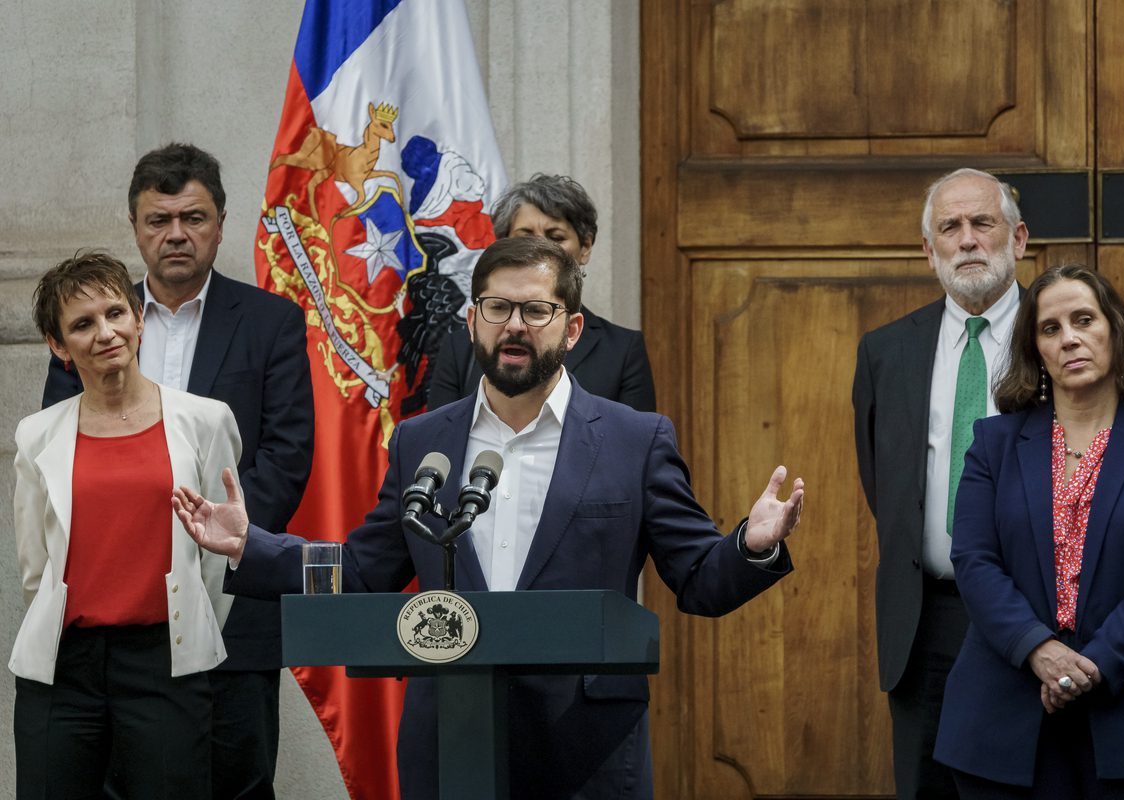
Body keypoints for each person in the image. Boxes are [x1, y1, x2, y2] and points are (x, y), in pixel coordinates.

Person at [174, 236, 804, 799]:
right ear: (472, 320)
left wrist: (751, 544)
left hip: (585, 747)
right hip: (452, 733)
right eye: (498, 308)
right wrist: (251, 547)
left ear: (573, 328)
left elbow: (697, 577)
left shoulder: (633, 439)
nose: (515, 327)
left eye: (537, 311)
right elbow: (365, 570)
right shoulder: (423, 442)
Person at [41, 143, 315, 800]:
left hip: (232, 608)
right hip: (114, 608)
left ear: (220, 222)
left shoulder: (271, 322)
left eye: (192, 218)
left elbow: (286, 453)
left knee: (238, 784)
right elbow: (62, 446)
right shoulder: (92, 324)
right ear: (135, 229)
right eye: (158, 220)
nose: (176, 235)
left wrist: (217, 541)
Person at [934, 264, 1124, 797]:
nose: (1069, 338)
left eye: (1084, 319)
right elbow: (975, 560)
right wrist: (1040, 651)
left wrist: (1095, 664)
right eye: (1050, 328)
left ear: (1114, 331)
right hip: (1005, 717)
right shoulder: (993, 443)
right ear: (1035, 350)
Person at [11, 252, 239, 799]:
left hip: (165, 660)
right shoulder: (36, 435)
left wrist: (186, 629)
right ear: (59, 347)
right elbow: (34, 568)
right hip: (63, 667)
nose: (106, 332)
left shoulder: (205, 420)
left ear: (139, 318)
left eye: (115, 312)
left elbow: (213, 560)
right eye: (83, 324)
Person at [853, 168, 1029, 799]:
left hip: (1040, 619)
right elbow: (886, 483)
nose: (968, 240)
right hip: (925, 617)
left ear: (1019, 238)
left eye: (983, 223)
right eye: (949, 228)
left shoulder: (1062, 335)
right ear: (929, 250)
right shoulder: (885, 351)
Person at [427, 172, 656, 411]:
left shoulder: (622, 350)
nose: (540, 248)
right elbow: (441, 438)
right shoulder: (460, 347)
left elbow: (631, 443)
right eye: (525, 236)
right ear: (501, 244)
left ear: (585, 247)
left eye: (555, 237)